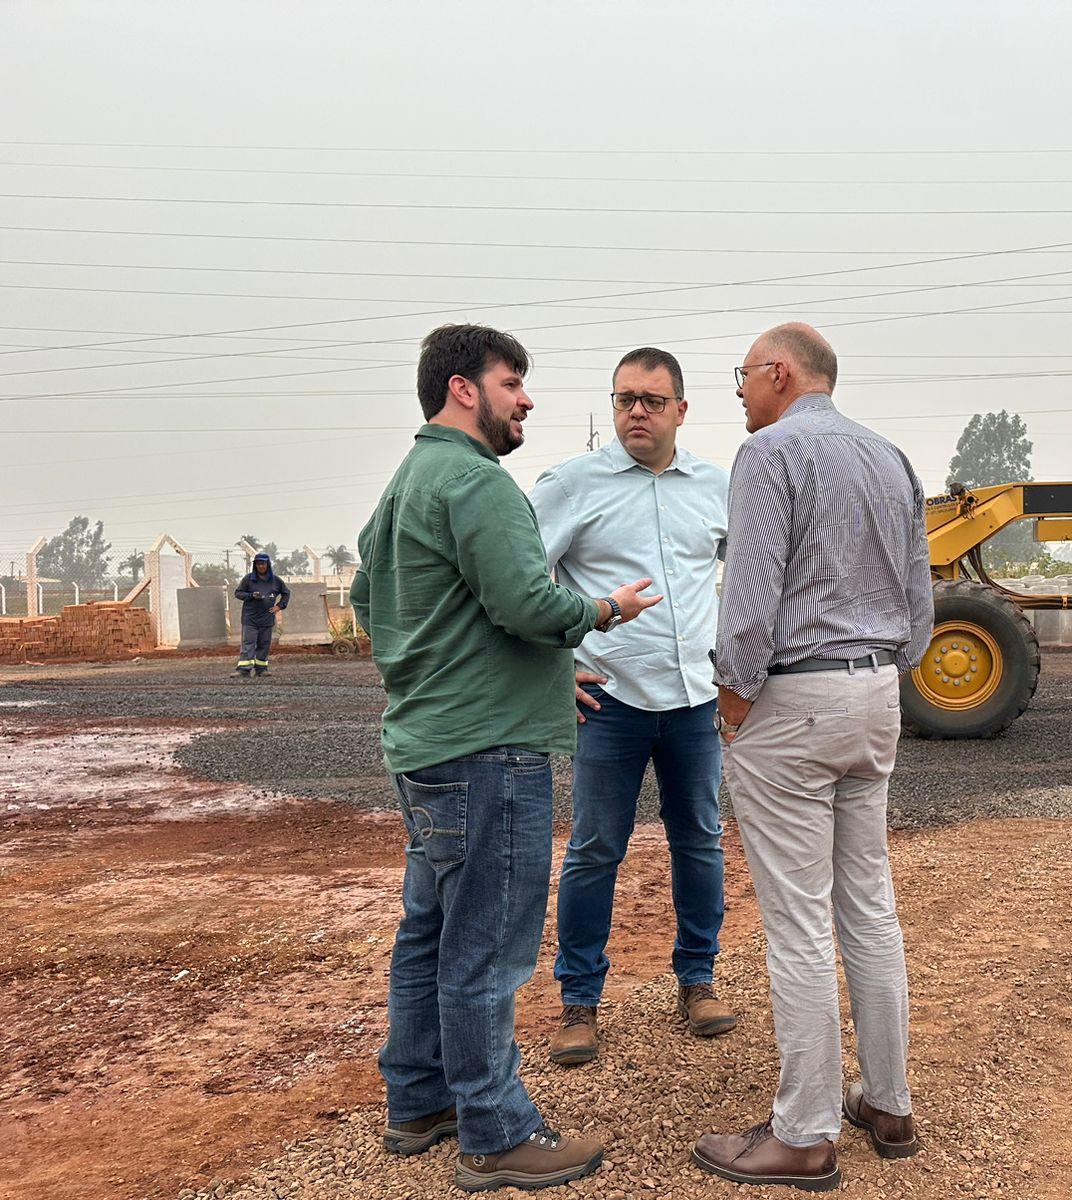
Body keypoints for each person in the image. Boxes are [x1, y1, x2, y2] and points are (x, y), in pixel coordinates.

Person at [352, 324, 660, 1194]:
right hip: (491, 755)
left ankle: (417, 1103)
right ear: (463, 389)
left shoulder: (406, 482)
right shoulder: (475, 480)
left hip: (428, 744)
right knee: (487, 948)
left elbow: (373, 600)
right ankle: (493, 1129)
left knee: (432, 932)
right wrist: (602, 611)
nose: (525, 399)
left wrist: (457, 671)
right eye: (512, 381)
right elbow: (527, 602)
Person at [691, 324, 933, 1191]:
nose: (741, 392)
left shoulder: (770, 455)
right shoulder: (889, 457)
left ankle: (802, 1132)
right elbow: (919, 593)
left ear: (781, 373)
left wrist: (733, 697)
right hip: (875, 694)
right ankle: (889, 1101)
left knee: (798, 922)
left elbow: (750, 597)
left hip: (795, 698)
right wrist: (885, 671)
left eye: (744, 376)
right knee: (868, 907)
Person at [529, 347, 735, 1067]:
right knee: (593, 851)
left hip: (693, 704)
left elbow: (748, 578)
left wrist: (736, 670)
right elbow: (523, 584)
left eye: (651, 399)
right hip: (607, 702)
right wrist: (554, 669)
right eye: (623, 400)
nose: (636, 412)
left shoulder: (717, 486)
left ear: (682, 409)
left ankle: (698, 980)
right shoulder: (571, 485)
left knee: (700, 842)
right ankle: (579, 1001)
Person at [233, 552, 289, 678]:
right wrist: (251, 596)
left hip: (267, 618)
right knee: (248, 643)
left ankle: (261, 669)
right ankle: (243, 670)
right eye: (258, 564)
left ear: (267, 565)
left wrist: (279, 606)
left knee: (264, 644)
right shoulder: (248, 579)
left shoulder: (276, 581)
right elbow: (238, 593)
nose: (261, 566)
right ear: (255, 565)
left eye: (263, 563)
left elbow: (286, 593)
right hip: (250, 618)